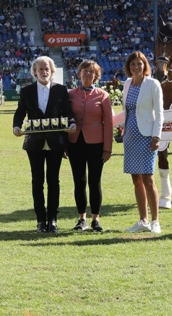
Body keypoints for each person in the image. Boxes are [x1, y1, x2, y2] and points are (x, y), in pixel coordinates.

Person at [13, 56, 76, 233]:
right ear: (35, 72)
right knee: (37, 181)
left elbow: (68, 112)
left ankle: (53, 220)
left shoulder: (61, 90)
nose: (44, 72)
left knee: (53, 182)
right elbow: (20, 113)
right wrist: (16, 126)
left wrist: (71, 124)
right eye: (40, 69)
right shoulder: (26, 91)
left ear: (52, 71)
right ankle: (41, 220)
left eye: (47, 68)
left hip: (56, 142)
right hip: (34, 143)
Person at [119, 51, 163, 234]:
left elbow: (160, 112)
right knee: (135, 179)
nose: (136, 67)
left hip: (147, 137)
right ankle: (142, 220)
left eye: (139, 63)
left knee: (148, 178)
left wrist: (156, 136)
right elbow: (125, 110)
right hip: (130, 136)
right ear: (128, 67)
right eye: (133, 64)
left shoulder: (153, 84)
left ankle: (155, 221)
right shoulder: (127, 84)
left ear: (145, 65)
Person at [66, 60, 112, 232]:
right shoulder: (70, 95)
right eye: (84, 71)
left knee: (95, 181)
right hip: (75, 143)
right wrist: (64, 145)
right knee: (79, 181)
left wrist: (107, 148)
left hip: (97, 144)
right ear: (79, 73)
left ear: (96, 76)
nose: (87, 74)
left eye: (91, 72)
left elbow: (108, 123)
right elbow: (65, 120)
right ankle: (81, 219)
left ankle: (95, 219)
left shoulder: (103, 96)